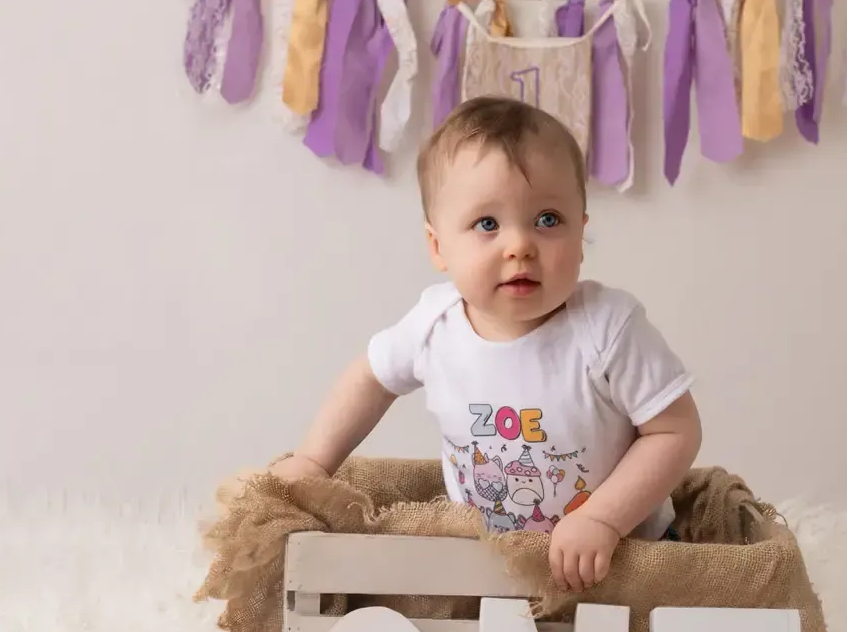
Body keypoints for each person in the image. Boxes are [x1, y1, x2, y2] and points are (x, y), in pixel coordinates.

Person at [270, 95, 702, 592]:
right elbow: (370, 378)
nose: (519, 245)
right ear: (438, 246)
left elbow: (675, 432)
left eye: (547, 220)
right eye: (487, 224)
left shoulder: (608, 328)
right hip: (488, 566)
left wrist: (602, 519)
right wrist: (313, 460)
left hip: (617, 558)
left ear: (582, 234)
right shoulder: (435, 325)